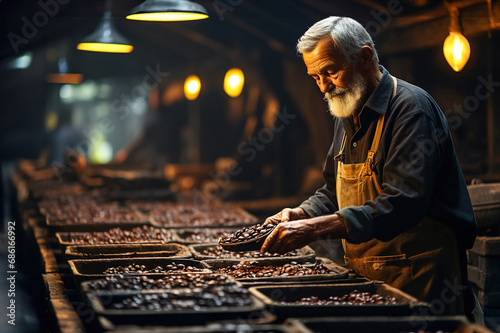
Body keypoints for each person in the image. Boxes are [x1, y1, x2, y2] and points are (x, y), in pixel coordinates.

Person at [260, 16, 482, 322]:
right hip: (371, 280)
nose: (324, 86)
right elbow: (333, 189)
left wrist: (315, 229)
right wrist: (302, 213)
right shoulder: (348, 109)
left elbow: (404, 201)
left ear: (365, 58)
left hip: (421, 280)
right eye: (315, 77)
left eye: (331, 72)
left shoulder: (410, 109)